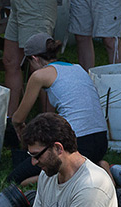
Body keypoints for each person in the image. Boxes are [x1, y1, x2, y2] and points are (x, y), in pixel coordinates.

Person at [9, 33, 109, 185]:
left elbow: (18, 117)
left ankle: (67, 176)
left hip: (76, 144)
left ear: (34, 58)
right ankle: (97, 166)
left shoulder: (39, 75)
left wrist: (18, 126)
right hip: (101, 141)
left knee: (16, 179)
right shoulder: (78, 68)